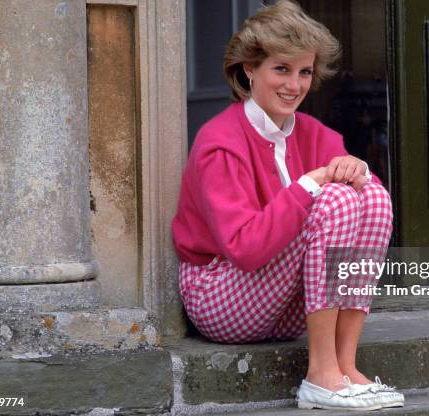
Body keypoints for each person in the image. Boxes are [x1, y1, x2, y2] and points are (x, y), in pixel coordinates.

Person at [172, 0, 404, 411]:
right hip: (220, 296)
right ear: (249, 69)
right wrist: (309, 183)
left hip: (290, 304)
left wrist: (358, 170)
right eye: (281, 69)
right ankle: (320, 375)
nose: (294, 86)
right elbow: (246, 250)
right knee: (331, 196)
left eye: (304, 72)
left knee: (371, 194)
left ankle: (344, 366)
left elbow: (370, 210)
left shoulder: (315, 133)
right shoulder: (220, 141)